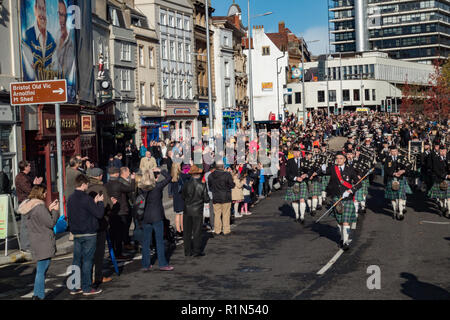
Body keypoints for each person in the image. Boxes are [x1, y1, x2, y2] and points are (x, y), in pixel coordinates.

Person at [18, 186, 59, 300]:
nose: (46, 195)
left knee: (41, 270)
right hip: (44, 242)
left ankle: (37, 294)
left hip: (36, 241)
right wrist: (55, 210)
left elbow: (40, 220)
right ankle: (39, 296)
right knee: (41, 270)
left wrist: (49, 209)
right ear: (41, 194)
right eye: (45, 193)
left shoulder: (30, 206)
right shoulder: (39, 207)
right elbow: (50, 223)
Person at [67, 174, 105, 296]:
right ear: (83, 184)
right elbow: (99, 214)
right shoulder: (86, 198)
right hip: (89, 233)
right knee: (88, 261)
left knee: (76, 260)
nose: (87, 186)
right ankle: (87, 287)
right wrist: (99, 203)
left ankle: (73, 286)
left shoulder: (71, 198)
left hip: (77, 233)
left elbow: (79, 211)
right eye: (87, 184)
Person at [322, 152, 361, 251]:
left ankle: (345, 242)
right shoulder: (332, 168)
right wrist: (321, 168)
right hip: (336, 197)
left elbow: (359, 184)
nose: (338, 160)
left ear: (344, 159)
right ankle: (342, 238)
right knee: (340, 222)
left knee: (346, 222)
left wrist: (350, 190)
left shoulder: (350, 170)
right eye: (337, 158)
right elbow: (322, 172)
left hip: (347, 198)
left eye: (341, 158)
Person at [86, 168, 117, 287]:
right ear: (99, 176)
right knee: (99, 252)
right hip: (100, 223)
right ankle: (98, 276)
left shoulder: (86, 188)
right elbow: (106, 206)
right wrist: (112, 204)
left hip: (87, 224)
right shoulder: (101, 188)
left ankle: (88, 275)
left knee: (88, 252)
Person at [141, 167, 174, 271]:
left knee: (146, 242)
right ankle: (162, 263)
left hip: (146, 216)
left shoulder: (142, 188)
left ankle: (146, 264)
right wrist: (161, 170)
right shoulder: (157, 187)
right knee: (159, 241)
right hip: (157, 215)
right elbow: (169, 178)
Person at [21, 0, 58, 81]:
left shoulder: (52, 41)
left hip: (49, 88)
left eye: (44, 9)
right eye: (40, 8)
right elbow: (29, 71)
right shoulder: (26, 37)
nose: (42, 14)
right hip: (34, 89)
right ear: (35, 10)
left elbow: (55, 68)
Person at [105, 167, 136, 260]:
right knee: (119, 233)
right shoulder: (118, 184)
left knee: (112, 233)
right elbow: (131, 188)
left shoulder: (106, 185)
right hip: (121, 210)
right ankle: (118, 253)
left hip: (110, 211)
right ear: (116, 174)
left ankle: (112, 252)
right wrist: (133, 179)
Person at [181, 165, 210, 257]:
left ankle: (187, 251)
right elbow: (206, 199)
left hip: (187, 209)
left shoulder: (186, 184)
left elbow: (183, 196)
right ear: (198, 174)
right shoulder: (202, 184)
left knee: (187, 232)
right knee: (197, 231)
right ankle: (197, 251)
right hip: (197, 210)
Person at [15, 160, 43, 252]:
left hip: (27, 201)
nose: (30, 166)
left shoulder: (25, 176)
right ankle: (25, 246)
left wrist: (35, 183)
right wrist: (36, 184)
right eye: (29, 165)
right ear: (25, 167)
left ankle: (29, 244)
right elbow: (29, 190)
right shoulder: (21, 178)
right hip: (25, 202)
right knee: (25, 224)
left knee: (30, 223)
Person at [384, 145, 412, 220]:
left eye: (395, 151)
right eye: (392, 151)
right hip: (391, 179)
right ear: (390, 152)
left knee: (400, 197)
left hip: (400, 179)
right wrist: (393, 173)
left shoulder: (402, 158)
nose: (394, 153)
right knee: (393, 198)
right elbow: (386, 169)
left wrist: (403, 171)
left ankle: (400, 212)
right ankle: (394, 211)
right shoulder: (388, 159)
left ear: (397, 151)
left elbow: (409, 165)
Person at [208, 163, 235, 236]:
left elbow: (210, 187)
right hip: (226, 196)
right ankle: (226, 230)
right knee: (226, 214)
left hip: (216, 197)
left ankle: (217, 230)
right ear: (223, 167)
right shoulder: (227, 174)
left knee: (217, 214)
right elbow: (232, 185)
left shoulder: (211, 175)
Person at [285, 147, 310, 224]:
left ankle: (302, 216)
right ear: (293, 153)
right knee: (295, 200)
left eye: (298, 152)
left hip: (302, 182)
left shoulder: (304, 161)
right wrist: (295, 178)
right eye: (295, 152)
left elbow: (310, 170)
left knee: (302, 199)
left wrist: (306, 174)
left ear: (300, 153)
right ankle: (297, 215)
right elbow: (287, 174)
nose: (296, 153)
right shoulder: (289, 161)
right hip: (293, 182)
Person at [428, 145, 449, 218]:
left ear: (446, 150)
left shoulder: (448, 158)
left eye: (444, 150)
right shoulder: (436, 159)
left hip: (448, 180)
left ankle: (449, 211)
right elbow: (436, 170)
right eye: (441, 151)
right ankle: (442, 206)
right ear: (439, 151)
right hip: (439, 179)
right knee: (442, 198)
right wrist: (446, 176)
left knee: (449, 197)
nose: (442, 152)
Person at [55, 0, 75, 79]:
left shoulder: (70, 40)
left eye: (64, 15)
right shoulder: (55, 35)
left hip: (65, 84)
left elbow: (66, 70)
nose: (62, 19)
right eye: (60, 14)